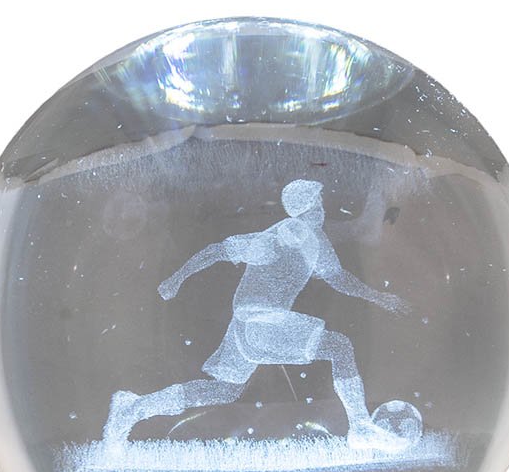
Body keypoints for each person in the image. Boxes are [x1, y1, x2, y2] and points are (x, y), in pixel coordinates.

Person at [102, 179, 411, 450]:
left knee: (224, 390)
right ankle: (360, 427)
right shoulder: (290, 231)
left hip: (247, 325)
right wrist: (176, 279)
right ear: (308, 207)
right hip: (262, 321)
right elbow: (219, 250)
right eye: (318, 202)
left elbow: (339, 279)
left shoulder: (316, 241)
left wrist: (379, 297)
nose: (322, 208)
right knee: (339, 347)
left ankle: (135, 408)